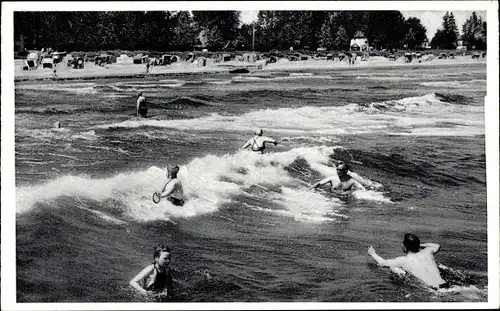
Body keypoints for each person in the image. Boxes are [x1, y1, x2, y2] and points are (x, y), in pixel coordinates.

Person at [368, 233, 450, 290]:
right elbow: (437, 246)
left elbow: (383, 263)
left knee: (393, 268)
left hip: (434, 290)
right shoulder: (428, 251)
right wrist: (417, 245)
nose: (401, 245)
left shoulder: (404, 260)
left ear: (405, 247)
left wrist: (373, 253)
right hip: (447, 285)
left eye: (402, 243)